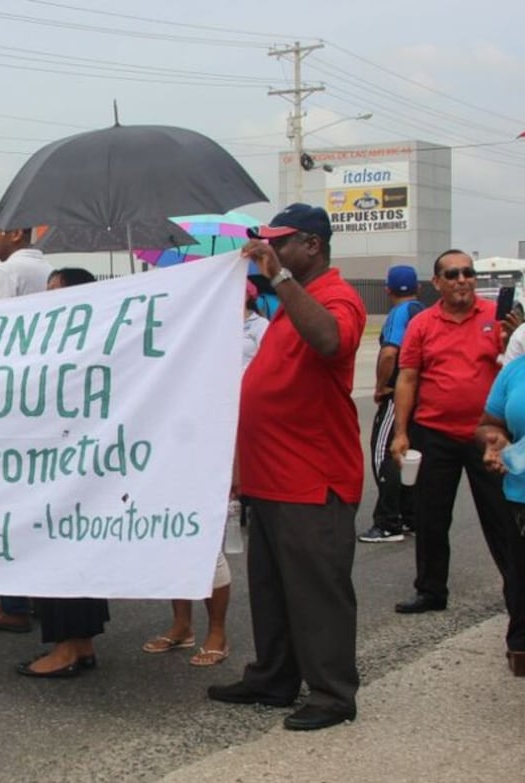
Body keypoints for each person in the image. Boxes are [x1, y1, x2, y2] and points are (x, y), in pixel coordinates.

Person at [206, 203, 365, 732]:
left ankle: (332, 694)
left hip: (312, 478)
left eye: (282, 241)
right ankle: (274, 677)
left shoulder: (336, 295)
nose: (270, 249)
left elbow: (331, 340)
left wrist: (281, 277)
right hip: (270, 476)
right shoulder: (292, 301)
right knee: (272, 589)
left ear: (312, 246)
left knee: (317, 591)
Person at [143, 281, 268, 668]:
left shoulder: (261, 331)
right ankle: (182, 626)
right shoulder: (195, 331)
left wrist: (239, 464)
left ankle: (217, 632)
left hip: (228, 438)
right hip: (180, 441)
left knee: (208, 544)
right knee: (170, 537)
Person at [391, 250, 519, 616]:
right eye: (452, 274)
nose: (462, 279)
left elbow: (515, 371)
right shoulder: (422, 324)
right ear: (437, 283)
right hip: (434, 434)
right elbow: (408, 377)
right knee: (431, 518)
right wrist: (401, 432)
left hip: (488, 437)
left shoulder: (498, 318)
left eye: (468, 272)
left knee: (502, 518)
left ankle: (517, 594)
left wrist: (510, 340)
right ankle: (431, 591)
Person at [18, 266, 109, 677]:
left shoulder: (82, 345)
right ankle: (81, 642)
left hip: (69, 464)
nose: (47, 296)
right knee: (72, 551)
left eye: (56, 290)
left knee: (59, 552)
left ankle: (66, 647)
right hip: (67, 463)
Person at [0, 204, 53, 634]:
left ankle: (13, 603)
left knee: (5, 505)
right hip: (42, 401)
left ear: (17, 232)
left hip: (9, 403)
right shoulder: (48, 271)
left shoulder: (6, 275)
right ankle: (35, 595)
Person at [360, 266, 424, 544]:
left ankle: (388, 522)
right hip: (420, 393)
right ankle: (411, 516)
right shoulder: (422, 311)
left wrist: (380, 386)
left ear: (387, 289)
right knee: (409, 454)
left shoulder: (399, 313)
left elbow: (389, 353)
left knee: (383, 453)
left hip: (398, 392)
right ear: (418, 287)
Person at [474, 367, 525, 677]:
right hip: (520, 495)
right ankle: (520, 640)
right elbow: (488, 426)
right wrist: (494, 441)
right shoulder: (516, 370)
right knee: (519, 573)